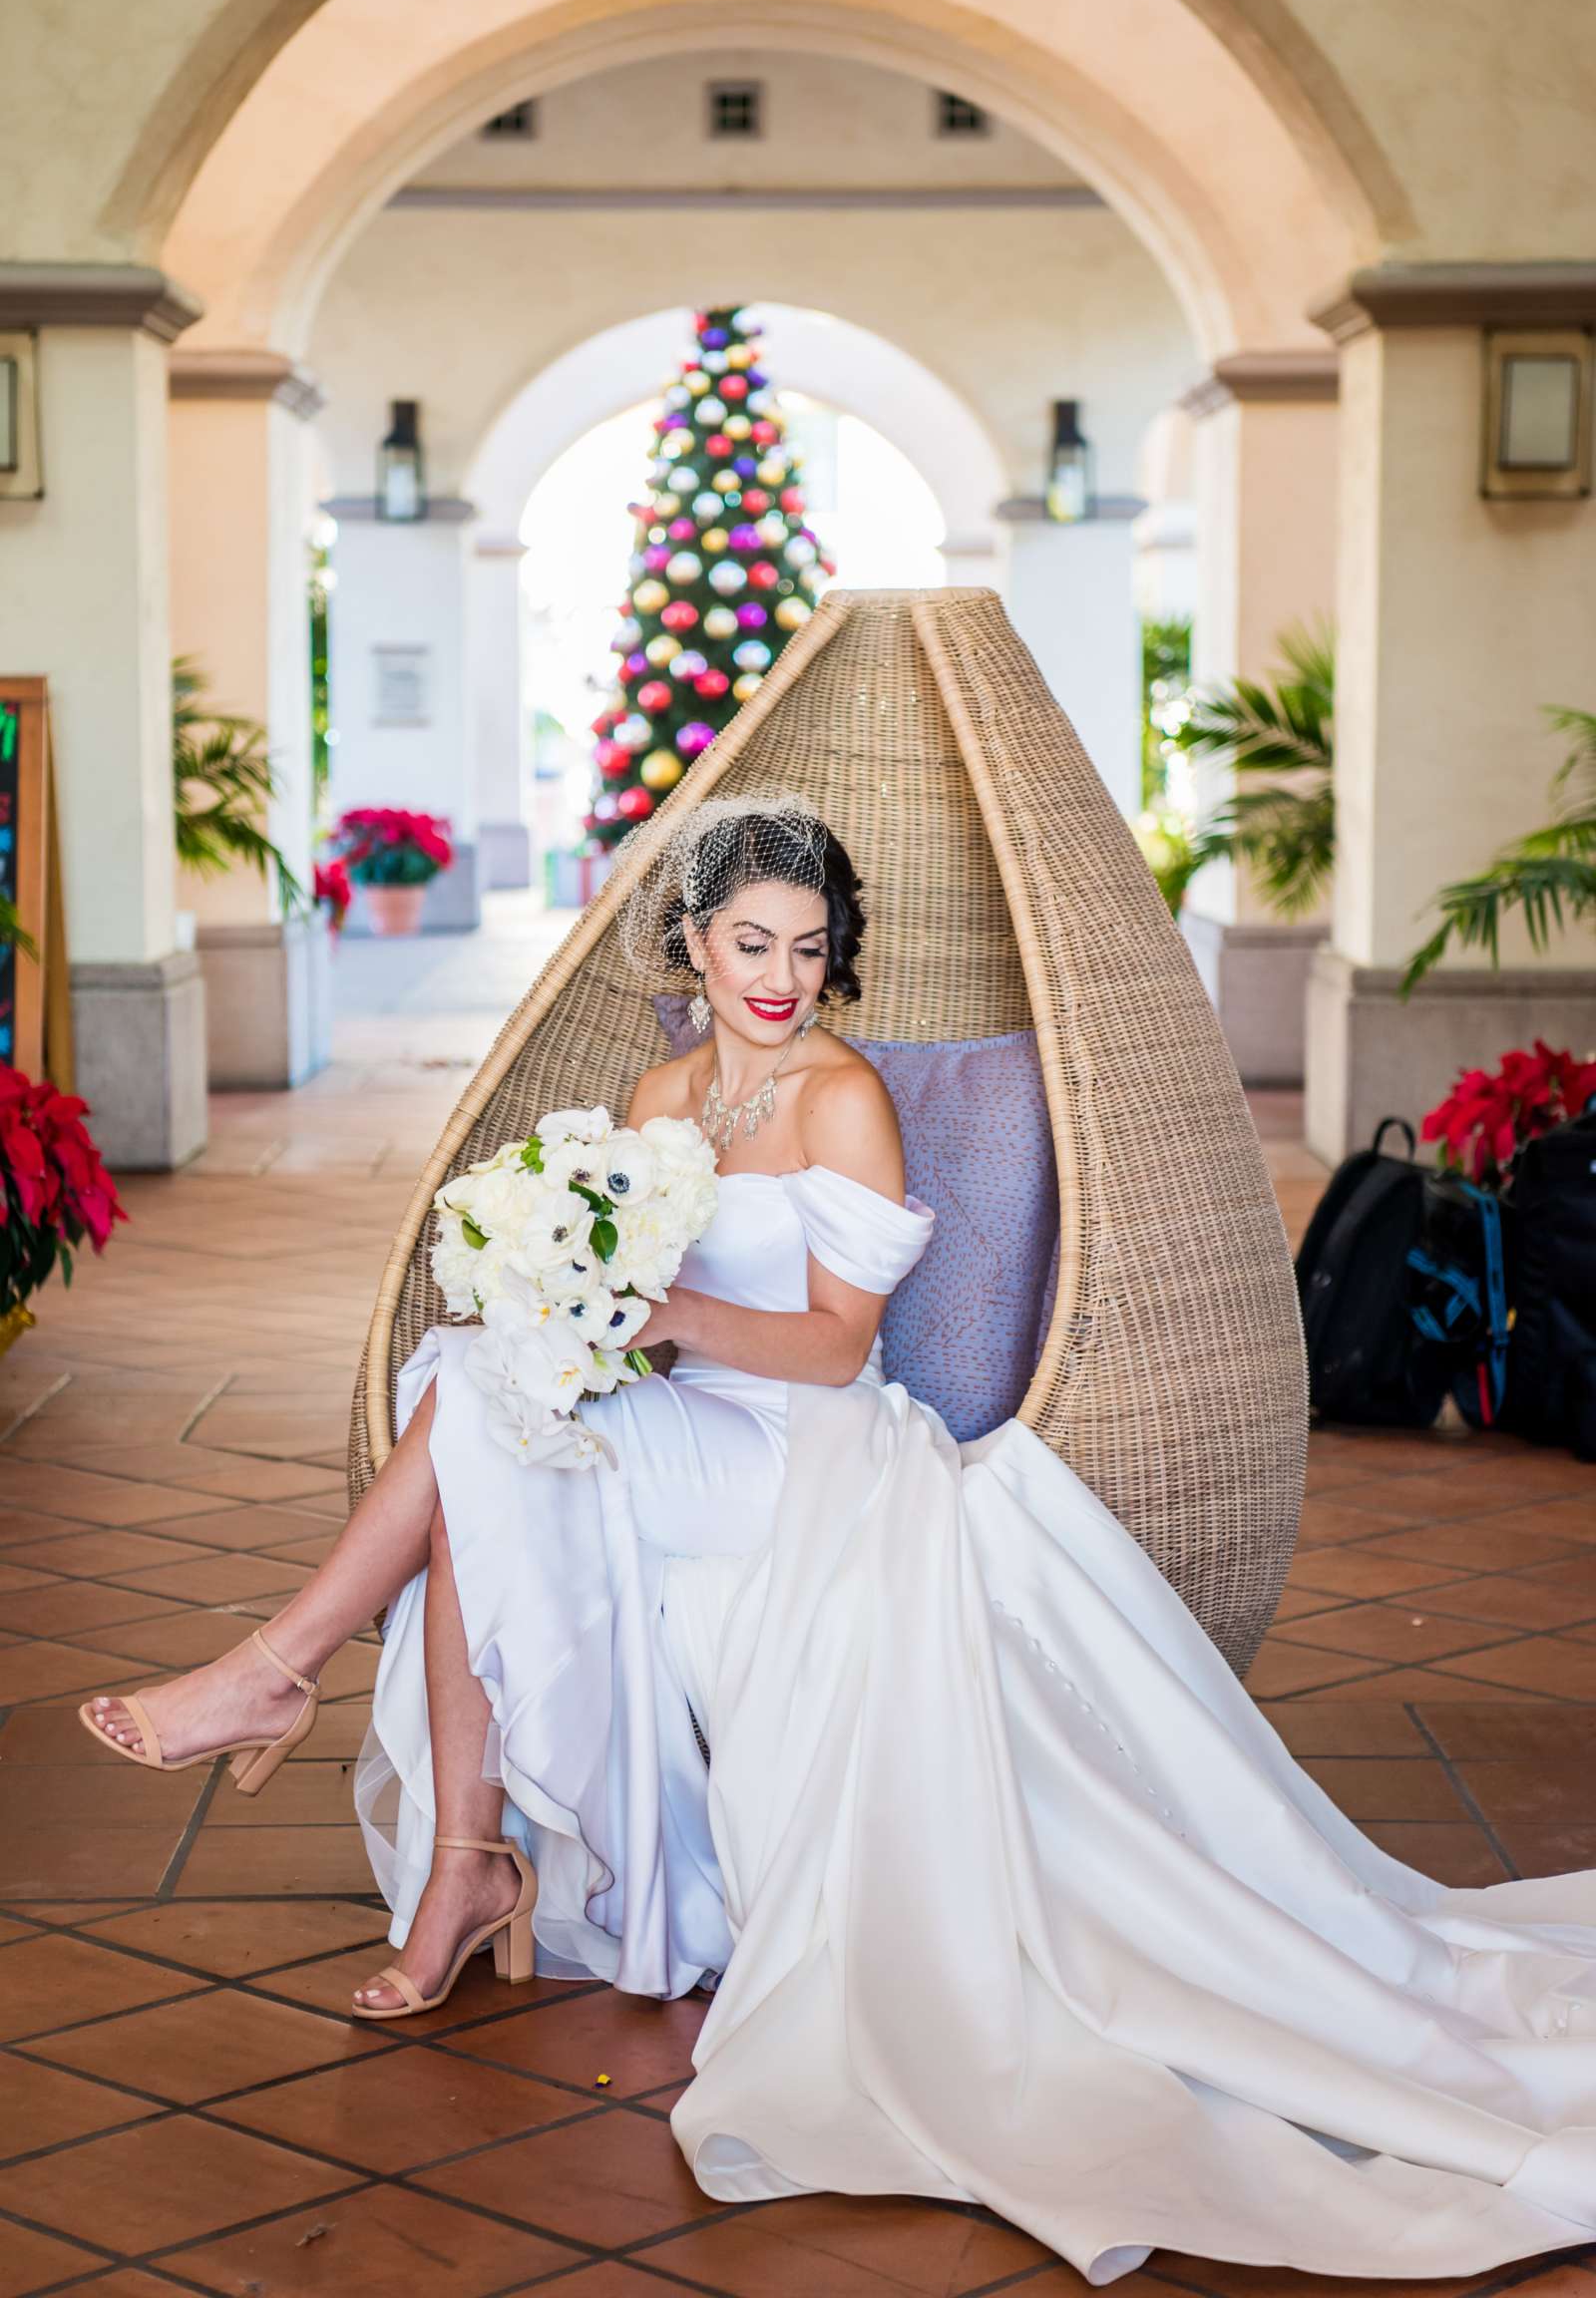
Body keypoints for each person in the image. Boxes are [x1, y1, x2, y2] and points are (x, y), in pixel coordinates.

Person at [80, 794, 1596, 2283]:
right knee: (494, 1404)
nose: (779, 977)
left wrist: (655, 1314)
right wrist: (560, 1307)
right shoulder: (664, 1098)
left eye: (807, 947)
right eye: (749, 942)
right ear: (690, 939)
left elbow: (825, 1349)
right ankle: (450, 1857)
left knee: (490, 1424)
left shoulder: (841, 1097)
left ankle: (302, 1696)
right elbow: (610, 1295)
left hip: (800, 1442)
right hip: (680, 1424)